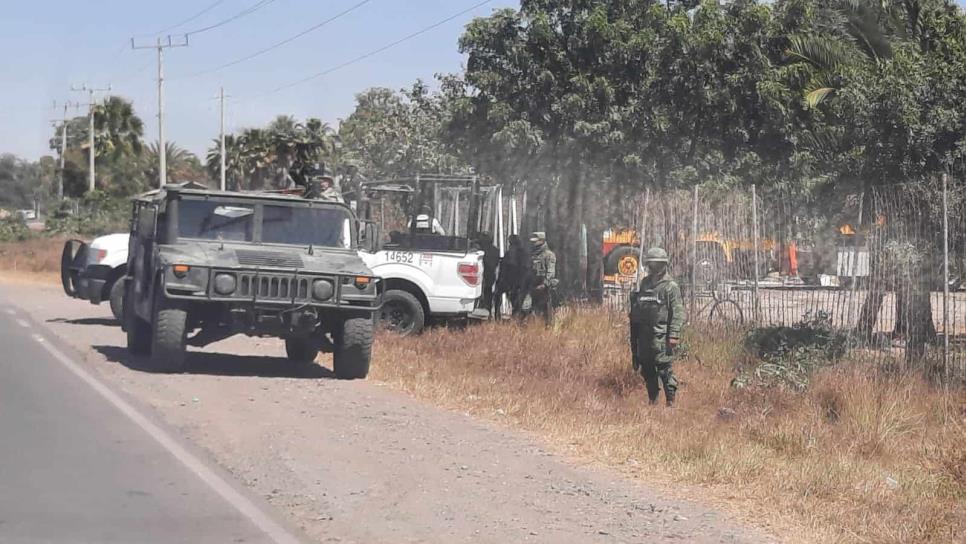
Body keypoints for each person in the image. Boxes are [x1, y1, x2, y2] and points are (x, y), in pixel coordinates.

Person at [629, 247, 685, 407]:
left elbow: (678, 312)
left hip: (661, 336)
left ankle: (671, 402)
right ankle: (652, 399)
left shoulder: (670, 287)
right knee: (646, 368)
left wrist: (673, 334)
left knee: (664, 369)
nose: (653, 267)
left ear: (663, 265)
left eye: (656, 264)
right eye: (651, 264)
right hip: (644, 335)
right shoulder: (644, 284)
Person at [494, 234, 530, 319]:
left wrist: (501, 280)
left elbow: (505, 267)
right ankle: (514, 316)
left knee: (499, 297)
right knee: (515, 301)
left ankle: (497, 315)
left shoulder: (512, 252)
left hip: (509, 280)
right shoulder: (524, 253)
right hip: (517, 281)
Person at [528, 231, 558, 326]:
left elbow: (550, 271)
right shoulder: (533, 254)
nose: (533, 243)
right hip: (533, 284)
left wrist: (545, 284)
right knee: (532, 308)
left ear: (542, 241)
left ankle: (548, 326)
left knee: (546, 308)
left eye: (536, 241)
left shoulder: (549, 255)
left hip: (544, 286)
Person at [477, 232, 500, 313]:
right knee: (488, 291)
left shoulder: (478, 250)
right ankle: (488, 308)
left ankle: (485, 307)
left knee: (486, 291)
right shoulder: (496, 250)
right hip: (489, 274)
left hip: (485, 273)